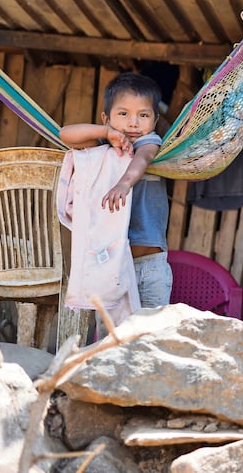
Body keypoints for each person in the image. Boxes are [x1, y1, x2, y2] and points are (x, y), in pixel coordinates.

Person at [60, 72, 172, 312]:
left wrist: (124, 183)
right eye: (123, 114)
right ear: (106, 118)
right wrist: (105, 133)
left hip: (149, 265)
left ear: (154, 120)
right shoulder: (101, 151)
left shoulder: (151, 143)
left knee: (153, 331)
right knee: (112, 333)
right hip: (111, 264)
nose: (133, 123)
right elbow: (65, 134)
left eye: (143, 115)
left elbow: (142, 159)